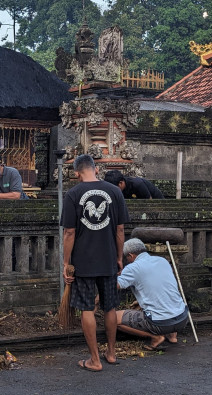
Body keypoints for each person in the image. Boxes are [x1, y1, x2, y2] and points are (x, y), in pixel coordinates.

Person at [62, 154, 129, 372]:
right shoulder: (115, 191)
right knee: (110, 306)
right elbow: (120, 229)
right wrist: (119, 257)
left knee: (87, 308)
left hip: (84, 261)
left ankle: (94, 359)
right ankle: (111, 353)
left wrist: (65, 262)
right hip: (108, 258)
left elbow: (69, 233)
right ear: (96, 169)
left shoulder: (73, 194)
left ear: (76, 173)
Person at [116, 238, 190, 351]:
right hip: (183, 318)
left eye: (126, 258)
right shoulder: (162, 261)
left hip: (160, 323)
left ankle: (155, 337)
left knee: (113, 319)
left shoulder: (132, 268)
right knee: (169, 304)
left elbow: (115, 285)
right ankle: (172, 336)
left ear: (130, 255)